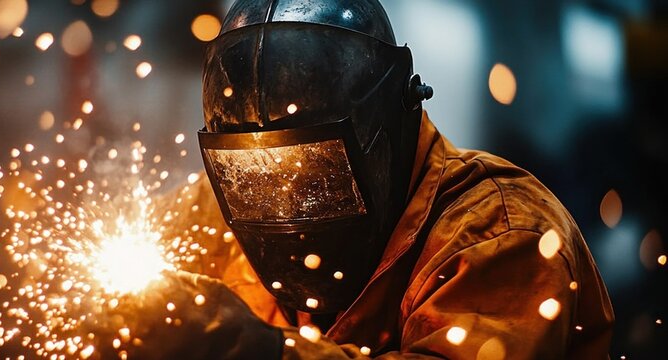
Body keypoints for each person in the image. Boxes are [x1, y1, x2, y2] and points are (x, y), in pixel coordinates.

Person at [144, 0, 614, 358]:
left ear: (388, 129)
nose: (284, 198)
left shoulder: (502, 233)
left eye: (317, 172)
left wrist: (259, 349)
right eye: (256, 174)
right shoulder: (212, 211)